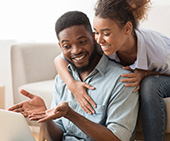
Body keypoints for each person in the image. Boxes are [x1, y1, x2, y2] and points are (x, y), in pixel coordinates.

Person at [54, 0, 170, 141]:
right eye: (96, 32)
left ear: (127, 28)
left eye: (106, 33)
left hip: (165, 73)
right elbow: (59, 59)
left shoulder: (158, 52)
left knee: (149, 85)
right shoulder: (100, 43)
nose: (99, 39)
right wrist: (72, 84)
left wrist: (145, 73)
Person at [9, 11, 139, 141]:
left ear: (94, 38)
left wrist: (71, 114)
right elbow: (56, 137)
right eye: (67, 46)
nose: (76, 50)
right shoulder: (62, 80)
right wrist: (45, 117)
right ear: (60, 46)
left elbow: (117, 139)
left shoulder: (122, 80)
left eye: (82, 42)